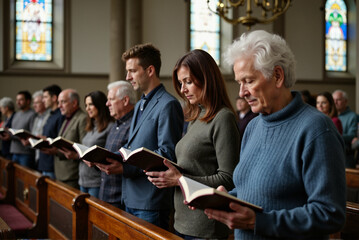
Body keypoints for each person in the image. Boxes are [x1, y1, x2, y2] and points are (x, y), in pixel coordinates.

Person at [203, 30, 346, 239]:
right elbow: (256, 191)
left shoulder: (316, 129)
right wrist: (228, 198)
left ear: (277, 76)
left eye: (248, 81)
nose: (241, 92)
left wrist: (258, 221)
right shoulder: (253, 127)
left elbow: (330, 214)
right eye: (239, 82)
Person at [146, 49, 240, 239]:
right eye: (181, 83)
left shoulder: (223, 118)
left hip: (205, 227)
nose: (183, 89)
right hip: (182, 220)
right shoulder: (197, 117)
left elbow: (228, 179)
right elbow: (194, 166)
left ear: (206, 78)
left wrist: (179, 180)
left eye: (188, 81)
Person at [105, 43, 183, 229]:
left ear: (150, 70)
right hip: (130, 196)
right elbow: (136, 145)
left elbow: (167, 154)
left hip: (150, 201)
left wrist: (125, 168)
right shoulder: (140, 103)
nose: (127, 77)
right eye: (127, 71)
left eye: (132, 71)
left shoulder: (167, 104)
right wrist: (113, 158)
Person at [62, 91, 114, 197]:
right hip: (83, 179)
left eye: (91, 104)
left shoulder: (110, 127)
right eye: (86, 105)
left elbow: (108, 155)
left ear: (99, 105)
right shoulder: (90, 126)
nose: (87, 108)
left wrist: (78, 156)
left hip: (96, 181)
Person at [94, 81, 135, 209]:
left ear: (125, 100)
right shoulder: (115, 125)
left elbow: (131, 161)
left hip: (120, 198)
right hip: (106, 193)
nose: (107, 104)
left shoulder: (134, 125)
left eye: (111, 99)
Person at [53, 89, 87, 188]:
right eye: (58, 102)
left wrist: (74, 155)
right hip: (60, 172)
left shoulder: (82, 118)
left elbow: (84, 147)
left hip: (72, 174)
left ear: (74, 103)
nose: (59, 106)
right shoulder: (67, 117)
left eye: (63, 102)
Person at [38, 84, 64, 179]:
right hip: (44, 162)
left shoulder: (61, 115)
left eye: (45, 97)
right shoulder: (51, 114)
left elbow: (60, 139)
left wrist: (47, 139)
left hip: (52, 164)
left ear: (54, 98)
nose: (43, 100)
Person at [9, 91, 36, 168]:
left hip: (26, 153)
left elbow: (33, 134)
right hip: (14, 151)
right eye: (17, 100)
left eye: (21, 100)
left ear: (28, 101)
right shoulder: (16, 114)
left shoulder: (32, 115)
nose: (18, 102)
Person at [332, 89, 357, 168]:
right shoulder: (331, 116)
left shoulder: (353, 116)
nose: (335, 102)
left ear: (345, 101)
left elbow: (352, 135)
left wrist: (333, 135)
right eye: (333, 100)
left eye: (338, 100)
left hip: (346, 156)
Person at [27, 90, 50, 167]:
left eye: (37, 103)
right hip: (36, 155)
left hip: (46, 156)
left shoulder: (50, 116)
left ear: (44, 102)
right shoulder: (36, 118)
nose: (34, 105)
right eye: (34, 103)